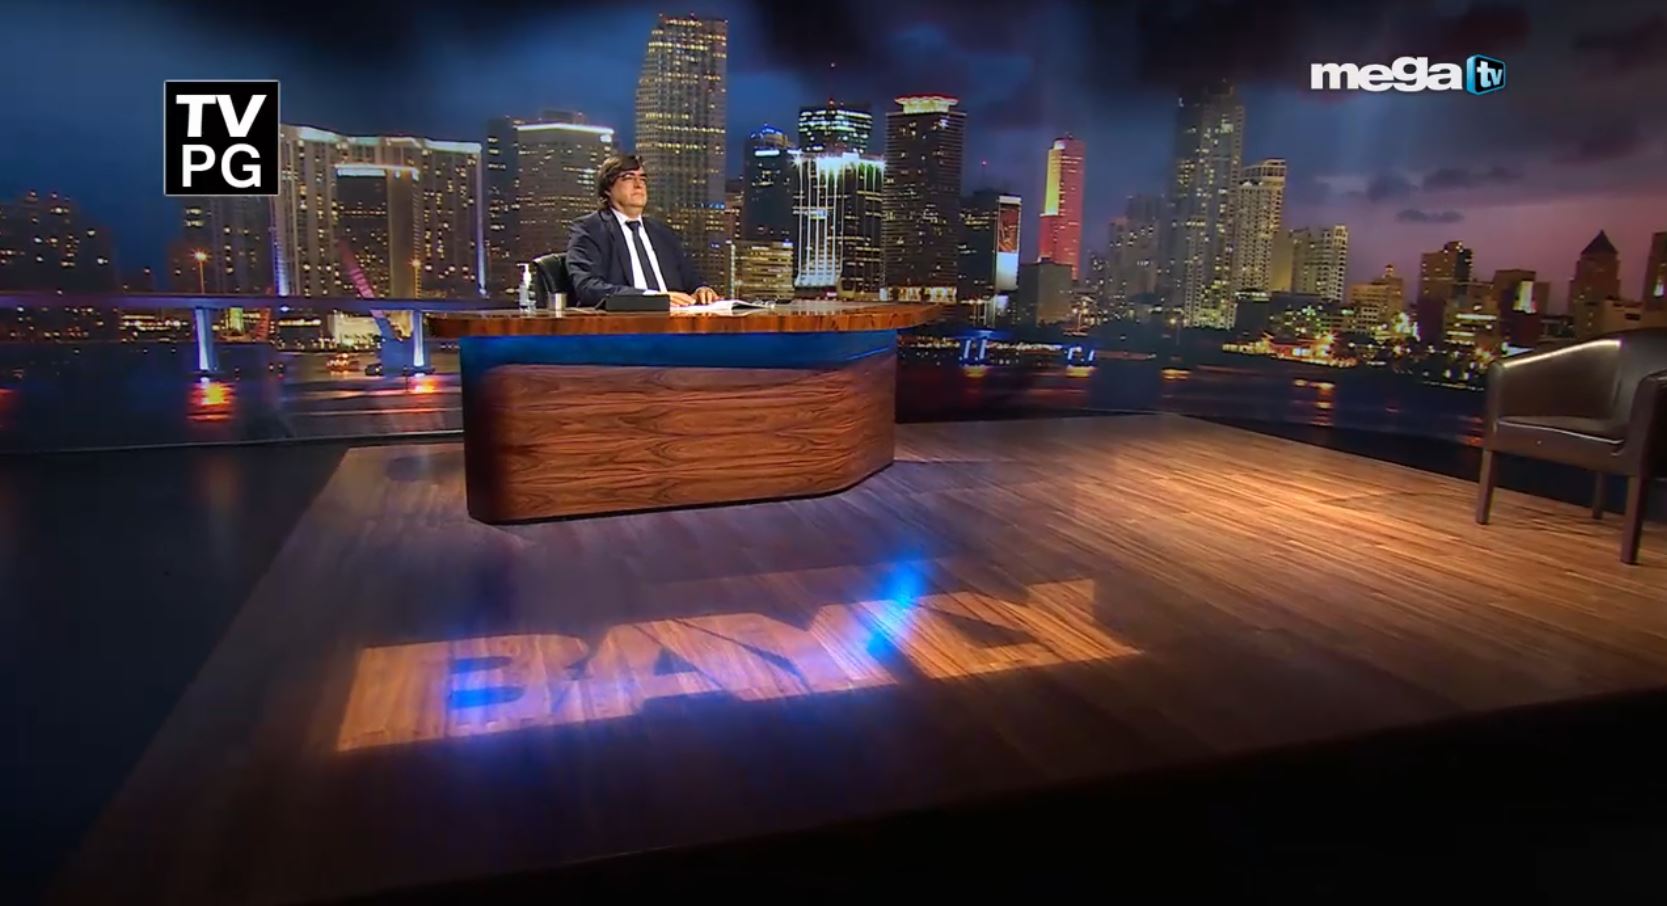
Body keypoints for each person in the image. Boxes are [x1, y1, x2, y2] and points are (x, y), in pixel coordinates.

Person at [564, 153, 721, 308]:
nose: (638, 185)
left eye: (642, 179)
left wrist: (701, 290)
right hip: (624, 320)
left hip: (675, 318)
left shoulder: (662, 232)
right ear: (607, 189)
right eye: (628, 178)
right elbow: (587, 287)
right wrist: (651, 299)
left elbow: (691, 281)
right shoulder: (589, 230)